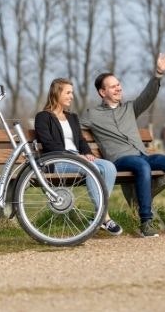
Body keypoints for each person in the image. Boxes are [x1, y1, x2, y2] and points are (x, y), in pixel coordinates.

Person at [81, 51, 165, 237]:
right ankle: (146, 222)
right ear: (102, 92)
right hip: (119, 160)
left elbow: (148, 95)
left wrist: (158, 74)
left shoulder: (130, 108)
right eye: (113, 87)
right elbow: (72, 129)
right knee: (142, 166)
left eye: (118, 85)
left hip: (143, 155)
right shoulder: (92, 115)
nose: (118, 89)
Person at [34, 78, 123, 235]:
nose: (72, 96)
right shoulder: (43, 117)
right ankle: (105, 218)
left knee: (110, 167)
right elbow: (48, 144)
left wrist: (87, 153)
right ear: (57, 93)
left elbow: (80, 141)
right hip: (57, 160)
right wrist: (75, 158)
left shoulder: (72, 117)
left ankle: (98, 216)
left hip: (78, 158)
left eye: (72, 93)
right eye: (68, 92)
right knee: (92, 169)